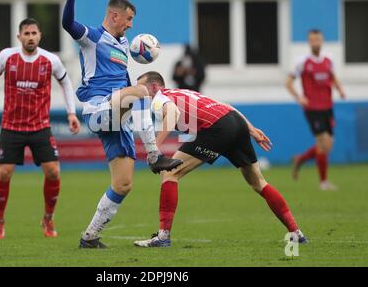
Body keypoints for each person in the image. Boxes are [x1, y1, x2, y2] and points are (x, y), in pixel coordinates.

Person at [62, 0, 183, 248]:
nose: (130, 25)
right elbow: (67, 23)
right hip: (99, 109)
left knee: (124, 183)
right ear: (114, 15)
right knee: (140, 93)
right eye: (128, 19)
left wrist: (137, 89)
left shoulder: (124, 45)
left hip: (118, 117)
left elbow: (123, 82)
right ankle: (154, 155)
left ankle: (89, 237)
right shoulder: (92, 37)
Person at [133, 71, 307, 247]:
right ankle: (296, 233)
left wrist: (153, 150)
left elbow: (172, 114)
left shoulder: (158, 99)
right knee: (259, 183)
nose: (139, 93)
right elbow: (227, 106)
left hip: (216, 129)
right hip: (235, 122)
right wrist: (251, 130)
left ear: (155, 87)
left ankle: (163, 237)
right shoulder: (183, 92)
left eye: (141, 88)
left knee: (170, 174)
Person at [0, 18, 81, 239]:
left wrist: (71, 112)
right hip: (11, 127)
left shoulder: (51, 60)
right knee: (4, 174)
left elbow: (66, 82)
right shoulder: (7, 56)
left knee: (53, 171)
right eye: (26, 33)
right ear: (19, 37)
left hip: (40, 126)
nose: (30, 37)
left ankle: (48, 218)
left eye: (34, 33)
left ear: (40, 36)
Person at [286, 29, 346, 191]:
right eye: (312, 40)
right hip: (312, 108)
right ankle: (323, 183)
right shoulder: (303, 62)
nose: (315, 43)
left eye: (318, 39)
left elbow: (332, 77)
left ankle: (300, 159)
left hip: (328, 106)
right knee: (322, 143)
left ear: (322, 40)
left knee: (328, 146)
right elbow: (288, 82)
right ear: (309, 42)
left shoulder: (328, 60)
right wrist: (299, 97)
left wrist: (340, 89)